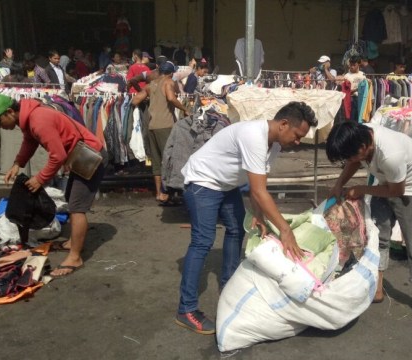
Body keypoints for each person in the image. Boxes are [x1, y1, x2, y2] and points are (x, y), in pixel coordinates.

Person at [176, 101, 318, 335]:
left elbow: (256, 188)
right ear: (283, 124)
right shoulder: (254, 135)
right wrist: (285, 229)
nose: (298, 141)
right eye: (297, 135)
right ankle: (186, 309)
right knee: (202, 241)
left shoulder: (273, 146)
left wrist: (259, 216)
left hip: (226, 184)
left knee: (237, 229)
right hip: (203, 181)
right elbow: (260, 192)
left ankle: (229, 284)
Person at [326, 121, 412, 327]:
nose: (349, 161)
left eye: (349, 156)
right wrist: (338, 185)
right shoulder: (360, 136)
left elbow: (397, 191)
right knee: (378, 238)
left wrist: (360, 189)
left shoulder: (390, 154)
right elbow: (353, 162)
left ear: (363, 148)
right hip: (386, 183)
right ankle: (377, 287)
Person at [0, 94, 106, 278]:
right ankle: (73, 242)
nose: (0, 127)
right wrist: (18, 163)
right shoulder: (29, 118)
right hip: (80, 155)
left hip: (90, 156)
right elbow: (30, 142)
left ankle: (75, 257)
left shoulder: (38, 119)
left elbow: (58, 155)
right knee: (72, 198)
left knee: (77, 208)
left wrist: (40, 178)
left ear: (9, 112)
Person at [131, 61, 191, 204]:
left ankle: (159, 193)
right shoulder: (168, 82)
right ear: (170, 73)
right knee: (170, 159)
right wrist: (184, 109)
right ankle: (170, 192)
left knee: (156, 161)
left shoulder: (151, 85)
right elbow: (171, 98)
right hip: (166, 126)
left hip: (152, 127)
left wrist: (150, 99)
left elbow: (134, 100)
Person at [341, 55, 367, 121]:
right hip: (351, 100)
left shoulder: (363, 75)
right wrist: (357, 89)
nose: (352, 67)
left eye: (354, 65)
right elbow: (346, 92)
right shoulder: (347, 76)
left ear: (359, 64)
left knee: (360, 118)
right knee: (351, 119)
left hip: (361, 99)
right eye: (351, 65)